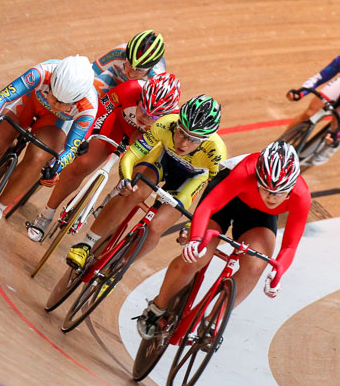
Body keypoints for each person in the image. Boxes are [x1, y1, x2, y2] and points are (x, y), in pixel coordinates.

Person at [136, 141, 311, 340]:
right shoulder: (245, 171)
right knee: (196, 258)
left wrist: (278, 273)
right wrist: (195, 239)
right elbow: (207, 208)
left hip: (259, 216)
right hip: (225, 199)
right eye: (266, 189)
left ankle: (212, 320)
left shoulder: (301, 196)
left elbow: (290, 245)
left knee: (256, 266)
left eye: (279, 193)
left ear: (291, 187)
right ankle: (157, 308)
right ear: (257, 178)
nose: (272, 197)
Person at [0, 55, 98, 234]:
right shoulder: (42, 72)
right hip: (28, 104)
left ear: (77, 100)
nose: (55, 103)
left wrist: (55, 169)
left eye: (63, 103)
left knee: (39, 159)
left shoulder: (89, 107)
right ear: (51, 82)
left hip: (54, 124)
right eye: (53, 95)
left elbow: (71, 148)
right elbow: (3, 96)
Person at [64, 94, 227, 271]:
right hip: (163, 161)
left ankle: (119, 267)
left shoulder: (216, 153)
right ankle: (87, 244)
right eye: (182, 133)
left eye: (194, 139)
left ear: (206, 139)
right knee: (133, 192)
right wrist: (126, 177)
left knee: (157, 225)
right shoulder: (165, 124)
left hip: (191, 179)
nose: (184, 143)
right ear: (177, 124)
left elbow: (212, 199)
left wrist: (192, 226)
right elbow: (133, 154)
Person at [25, 72, 182, 241]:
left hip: (143, 141)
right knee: (81, 164)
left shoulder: (174, 120)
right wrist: (84, 139)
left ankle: (114, 196)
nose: (144, 117)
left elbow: (159, 152)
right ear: (140, 96)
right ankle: (47, 214)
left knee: (135, 182)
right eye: (143, 109)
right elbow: (97, 111)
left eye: (152, 116)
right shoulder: (129, 89)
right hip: (117, 125)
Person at [91, 30, 167, 96]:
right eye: (129, 65)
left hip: (140, 92)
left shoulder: (157, 78)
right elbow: (90, 73)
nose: (131, 74)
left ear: (151, 68)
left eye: (139, 70)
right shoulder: (119, 53)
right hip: (117, 78)